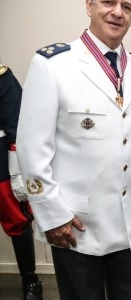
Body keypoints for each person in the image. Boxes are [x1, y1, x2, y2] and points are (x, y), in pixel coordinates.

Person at [16, 0, 131, 300]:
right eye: (108, 2)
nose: (117, 12)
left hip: (129, 225)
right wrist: (52, 214)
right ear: (89, 4)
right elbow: (31, 148)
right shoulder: (52, 65)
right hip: (76, 225)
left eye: (127, 6)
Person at [0, 64, 43, 300]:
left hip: (1, 167)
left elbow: (17, 124)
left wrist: (18, 171)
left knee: (17, 222)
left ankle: (31, 281)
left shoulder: (2, 75)